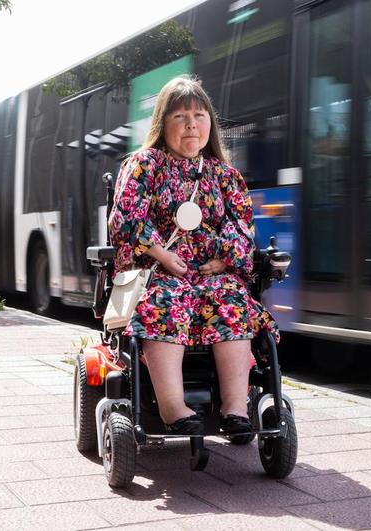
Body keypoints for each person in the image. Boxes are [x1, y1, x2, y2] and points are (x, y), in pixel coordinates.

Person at [108, 75, 278, 435]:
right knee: (164, 301)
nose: (191, 125)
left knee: (232, 299)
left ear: (209, 124)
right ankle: (174, 408)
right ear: (163, 123)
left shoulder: (225, 175)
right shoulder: (144, 165)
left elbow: (241, 225)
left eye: (199, 116)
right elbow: (126, 216)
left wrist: (225, 260)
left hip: (212, 273)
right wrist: (161, 254)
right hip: (158, 270)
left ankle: (235, 408)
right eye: (180, 116)